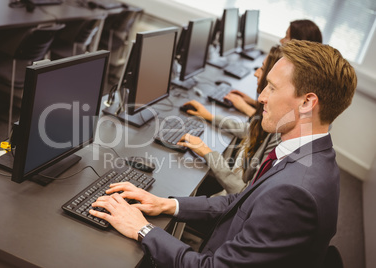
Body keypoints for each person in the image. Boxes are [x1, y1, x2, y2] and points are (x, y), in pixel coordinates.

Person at [89, 40, 357, 267]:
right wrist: (166, 204)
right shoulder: (309, 154)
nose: (261, 96)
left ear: (308, 102)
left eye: (272, 88)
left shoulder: (295, 191)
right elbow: (239, 203)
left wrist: (143, 229)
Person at [179, 45, 282, 196]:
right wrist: (211, 117)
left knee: (185, 179)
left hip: (228, 201)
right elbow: (252, 130)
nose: (255, 74)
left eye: (261, 68)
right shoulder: (273, 123)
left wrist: (208, 152)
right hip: (228, 190)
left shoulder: (279, 135)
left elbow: (243, 193)